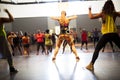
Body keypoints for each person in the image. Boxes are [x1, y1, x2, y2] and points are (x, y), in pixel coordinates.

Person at [86, 0, 120, 71]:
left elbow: (91, 17)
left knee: (97, 49)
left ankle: (91, 65)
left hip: (106, 34)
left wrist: (89, 10)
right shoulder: (114, 13)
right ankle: (91, 64)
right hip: (114, 34)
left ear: (105, 6)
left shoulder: (103, 13)